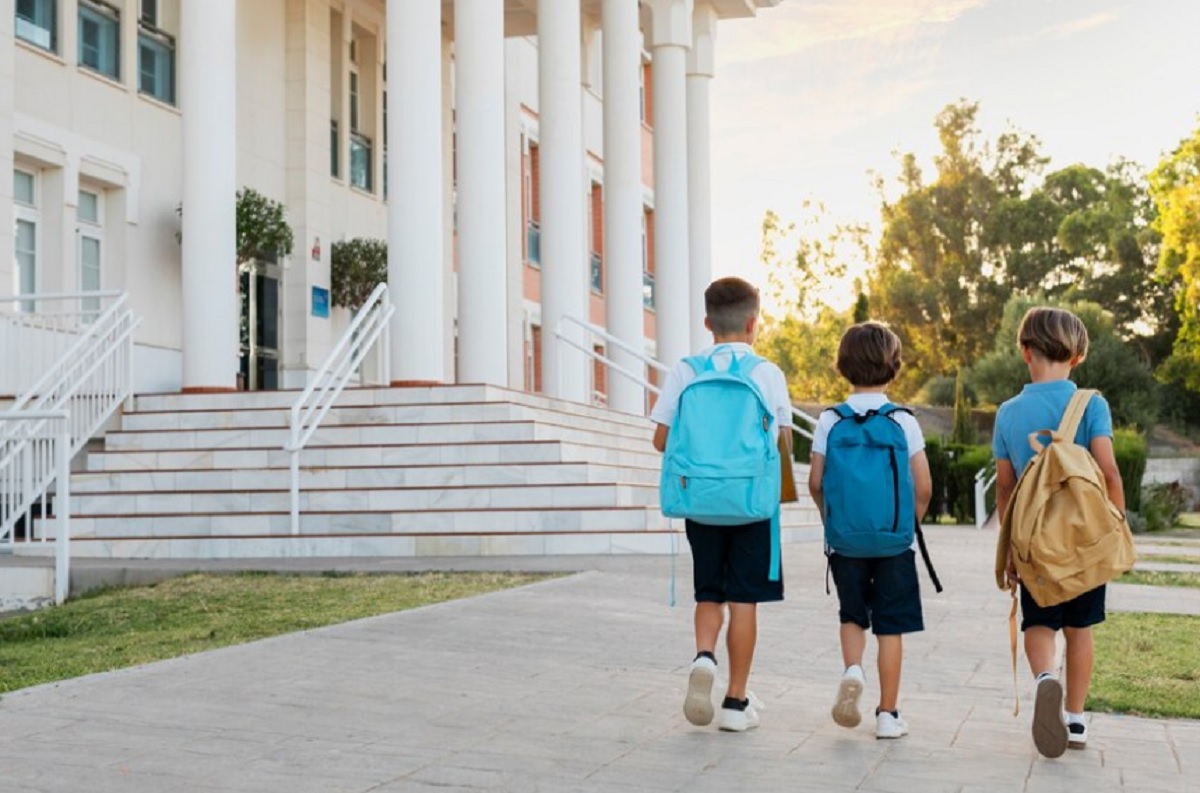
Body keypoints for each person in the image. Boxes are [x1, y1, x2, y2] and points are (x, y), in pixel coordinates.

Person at [650, 276, 793, 732]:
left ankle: (705, 655)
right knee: (744, 600)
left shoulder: (685, 371)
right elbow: (783, 444)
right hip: (751, 504)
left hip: (701, 501)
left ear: (707, 322)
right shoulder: (767, 373)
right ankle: (735, 701)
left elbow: (660, 439)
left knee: (709, 591)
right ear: (754, 323)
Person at [993, 307, 1124, 757]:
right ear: (1078, 355)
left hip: (1034, 542)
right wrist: (1116, 525)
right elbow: (1108, 471)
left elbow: (1006, 488)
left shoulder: (1008, 413)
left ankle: (1046, 677)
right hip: (1084, 542)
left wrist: (1009, 550)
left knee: (1040, 621)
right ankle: (1075, 717)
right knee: (1080, 628)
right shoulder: (1091, 404)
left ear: (1025, 352)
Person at [808, 322, 933, 740]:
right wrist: (906, 524)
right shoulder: (902, 420)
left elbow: (815, 481)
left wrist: (833, 523)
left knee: (852, 615)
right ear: (893, 367)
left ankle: (853, 669)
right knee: (890, 626)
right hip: (895, 542)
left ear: (843, 366)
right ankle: (888, 713)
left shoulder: (829, 419)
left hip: (846, 541)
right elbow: (924, 486)